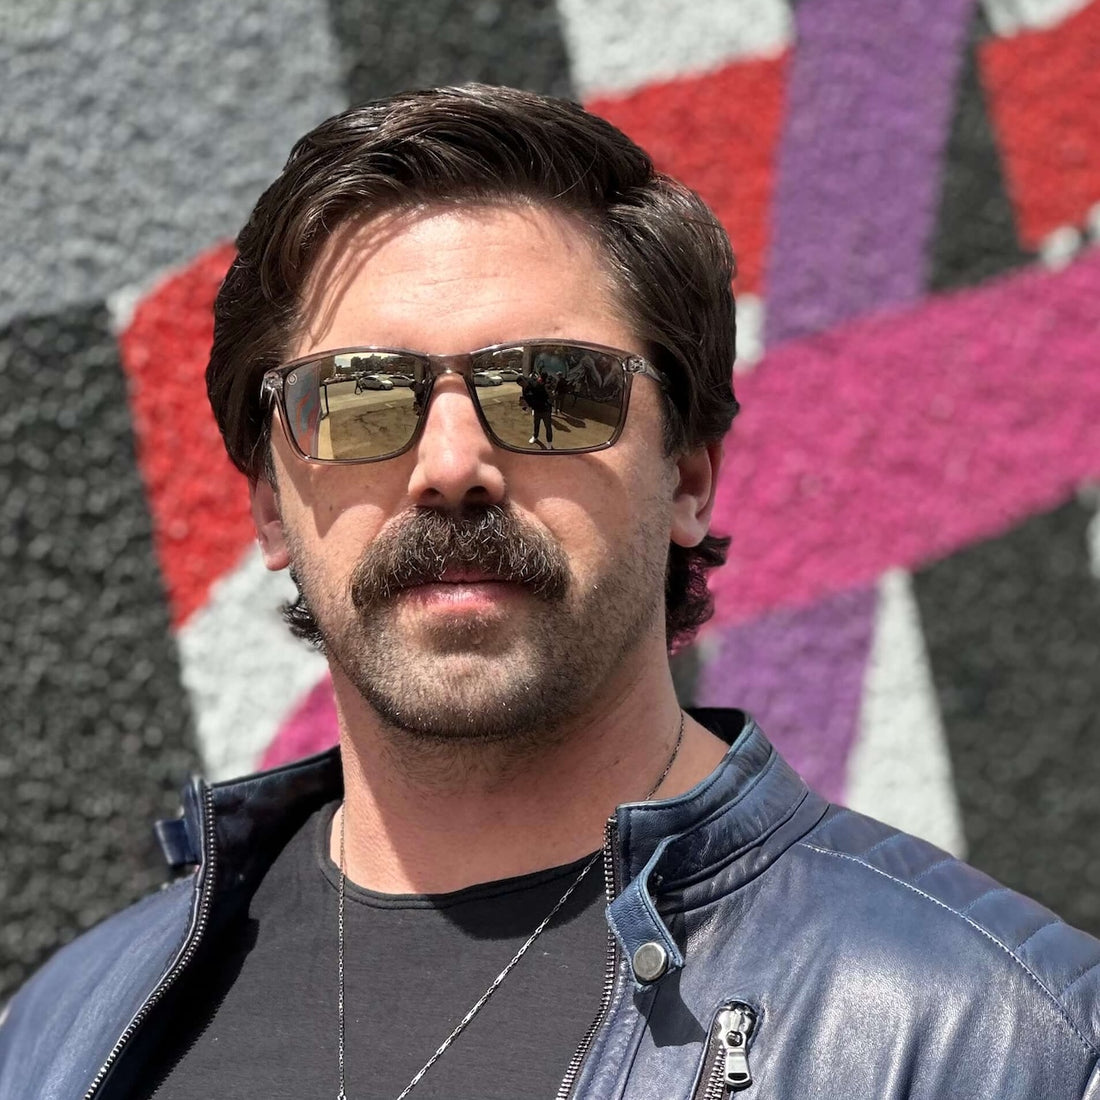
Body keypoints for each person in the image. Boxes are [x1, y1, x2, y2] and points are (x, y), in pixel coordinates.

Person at [1, 84, 1097, 1100]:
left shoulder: (1000, 1036)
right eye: (358, 397)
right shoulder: (62, 1038)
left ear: (686, 476)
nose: (448, 465)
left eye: (547, 390)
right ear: (272, 508)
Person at [520, 369, 554, 448]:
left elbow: (549, 396)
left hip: (546, 410)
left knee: (548, 427)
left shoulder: (544, 385)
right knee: (536, 424)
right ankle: (535, 437)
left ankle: (549, 442)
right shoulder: (532, 385)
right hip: (537, 409)